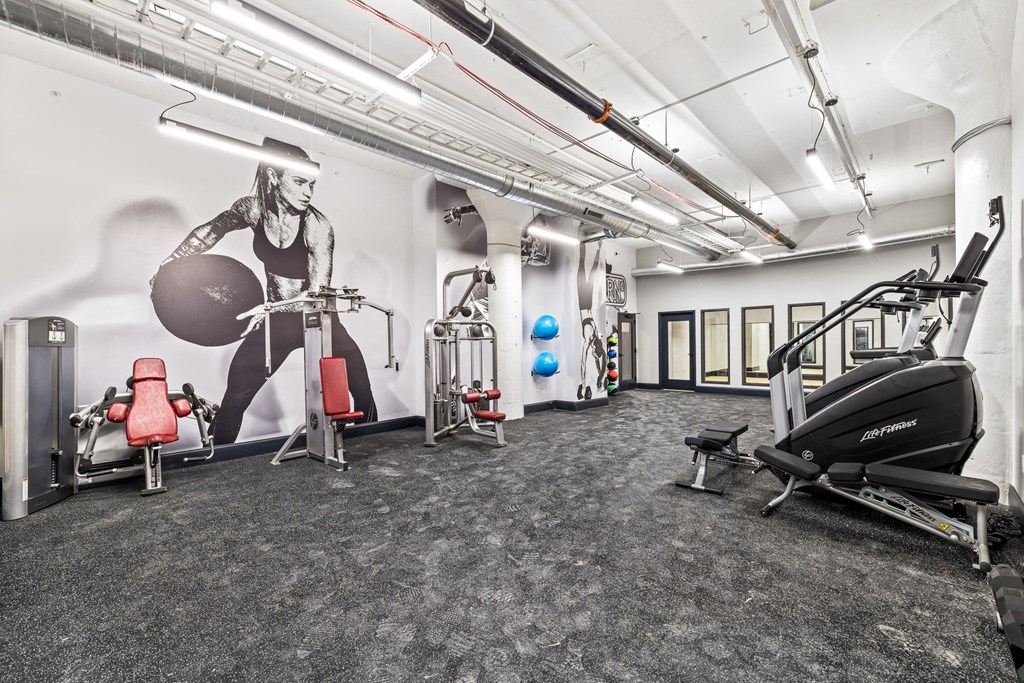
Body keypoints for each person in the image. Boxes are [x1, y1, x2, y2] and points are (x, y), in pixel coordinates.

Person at [156, 138, 377, 444]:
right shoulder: (252, 210)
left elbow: (316, 294)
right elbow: (210, 232)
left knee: (362, 391)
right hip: (277, 323)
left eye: (312, 184)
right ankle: (217, 459)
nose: (307, 192)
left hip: (318, 321)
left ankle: (372, 446)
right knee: (236, 395)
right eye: (299, 182)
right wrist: (170, 263)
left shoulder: (317, 227)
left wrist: (269, 307)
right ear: (273, 176)